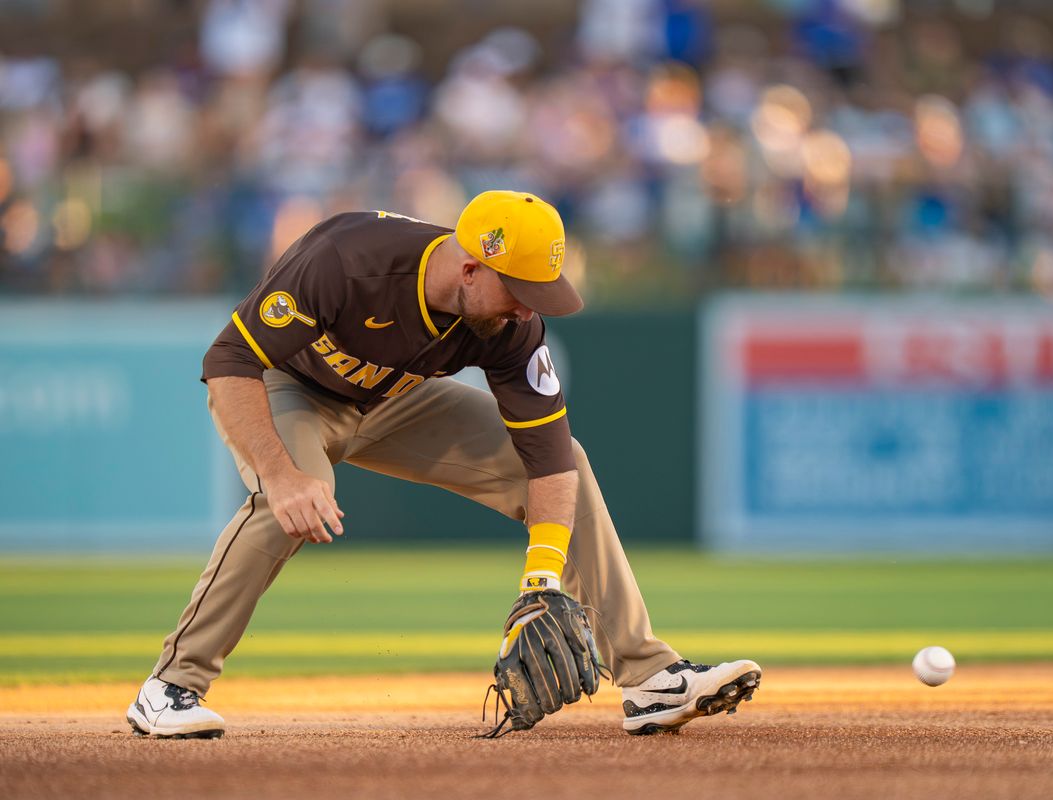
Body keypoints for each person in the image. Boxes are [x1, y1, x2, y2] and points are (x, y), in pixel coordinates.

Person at [125, 190, 761, 738]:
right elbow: (228, 361)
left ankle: (650, 677)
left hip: (396, 397)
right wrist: (282, 473)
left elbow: (547, 462)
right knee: (288, 501)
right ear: (470, 268)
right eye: (519, 289)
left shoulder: (513, 327)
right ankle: (170, 687)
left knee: (571, 459)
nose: (528, 308)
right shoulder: (347, 259)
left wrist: (540, 582)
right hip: (289, 388)